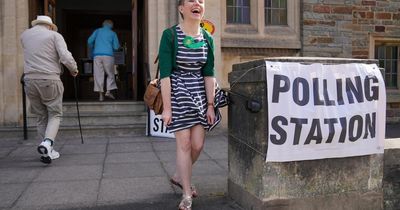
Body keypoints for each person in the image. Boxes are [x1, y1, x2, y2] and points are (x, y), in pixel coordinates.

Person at [158, 0, 216, 209]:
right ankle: (186, 193)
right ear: (181, 8)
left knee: (198, 145)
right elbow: (165, 75)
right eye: (191, 0)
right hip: (178, 92)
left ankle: (178, 175)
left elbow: (209, 74)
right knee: (183, 144)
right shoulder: (170, 35)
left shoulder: (207, 37)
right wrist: (167, 108)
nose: (197, 4)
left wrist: (210, 104)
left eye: (200, 1)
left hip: (200, 95)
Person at [20, 15, 78, 164]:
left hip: (29, 79)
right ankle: (47, 143)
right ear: (50, 26)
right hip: (49, 79)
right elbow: (65, 56)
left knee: (41, 116)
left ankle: (47, 151)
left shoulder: (25, 35)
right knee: (55, 114)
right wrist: (74, 70)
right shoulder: (54, 35)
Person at [87, 19, 120, 101]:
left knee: (98, 74)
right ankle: (108, 91)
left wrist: (93, 48)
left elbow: (89, 41)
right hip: (108, 55)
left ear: (103, 24)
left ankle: (100, 95)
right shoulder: (112, 33)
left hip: (97, 55)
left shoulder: (97, 31)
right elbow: (116, 47)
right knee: (110, 74)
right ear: (111, 25)